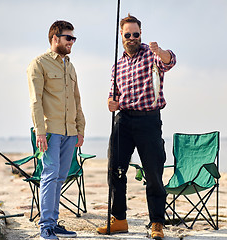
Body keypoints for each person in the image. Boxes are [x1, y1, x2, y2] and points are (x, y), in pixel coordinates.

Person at [96, 14, 176, 239]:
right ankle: (119, 218)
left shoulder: (152, 56)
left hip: (149, 120)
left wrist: (160, 51)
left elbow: (170, 61)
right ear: (121, 36)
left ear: (141, 34)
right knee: (115, 169)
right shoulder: (117, 65)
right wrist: (111, 103)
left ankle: (157, 222)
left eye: (136, 34)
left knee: (153, 172)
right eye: (127, 34)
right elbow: (114, 96)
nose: (132, 38)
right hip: (124, 120)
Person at [27, 20, 85, 240]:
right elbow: (35, 101)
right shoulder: (38, 64)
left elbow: (77, 100)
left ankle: (54, 223)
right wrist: (39, 131)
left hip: (70, 132)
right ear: (55, 38)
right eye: (68, 37)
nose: (72, 42)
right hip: (50, 131)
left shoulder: (70, 66)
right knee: (50, 176)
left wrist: (80, 128)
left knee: (60, 177)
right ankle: (46, 227)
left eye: (73, 38)